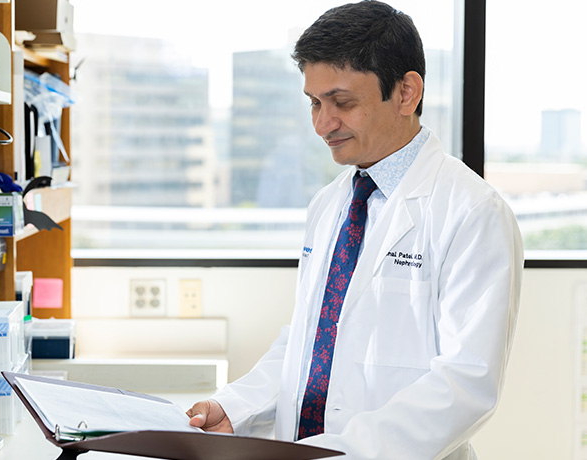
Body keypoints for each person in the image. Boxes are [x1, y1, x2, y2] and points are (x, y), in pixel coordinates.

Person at [187, 1, 523, 458]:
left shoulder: (473, 212)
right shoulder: (330, 205)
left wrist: (342, 451)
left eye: (342, 102)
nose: (323, 124)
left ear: (406, 93)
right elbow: (309, 340)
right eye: (315, 103)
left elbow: (466, 383)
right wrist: (237, 406)